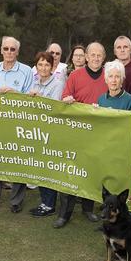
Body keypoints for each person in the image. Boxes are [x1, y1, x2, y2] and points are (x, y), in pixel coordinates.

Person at [53, 42, 109, 228]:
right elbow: (65, 98)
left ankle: (88, 208)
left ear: (103, 57)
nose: (95, 58)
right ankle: (64, 213)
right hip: (76, 132)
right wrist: (68, 100)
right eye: (92, 54)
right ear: (86, 56)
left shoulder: (109, 76)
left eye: (99, 55)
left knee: (92, 173)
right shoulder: (75, 75)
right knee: (71, 172)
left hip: (99, 133)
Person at [0, 36, 34, 213]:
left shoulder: (26, 70)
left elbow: (30, 97)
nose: (9, 52)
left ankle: (16, 200)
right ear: (1, 50)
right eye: (6, 49)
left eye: (12, 49)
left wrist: (14, 93)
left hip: (18, 122)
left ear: (17, 51)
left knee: (18, 160)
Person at [27, 51, 66, 217]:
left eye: (47, 64)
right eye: (40, 64)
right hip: (35, 131)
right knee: (40, 168)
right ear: (36, 66)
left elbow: (54, 108)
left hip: (50, 132)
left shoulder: (57, 83)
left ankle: (49, 205)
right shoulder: (34, 82)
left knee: (48, 167)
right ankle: (44, 202)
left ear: (52, 66)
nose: (43, 68)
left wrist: (39, 98)